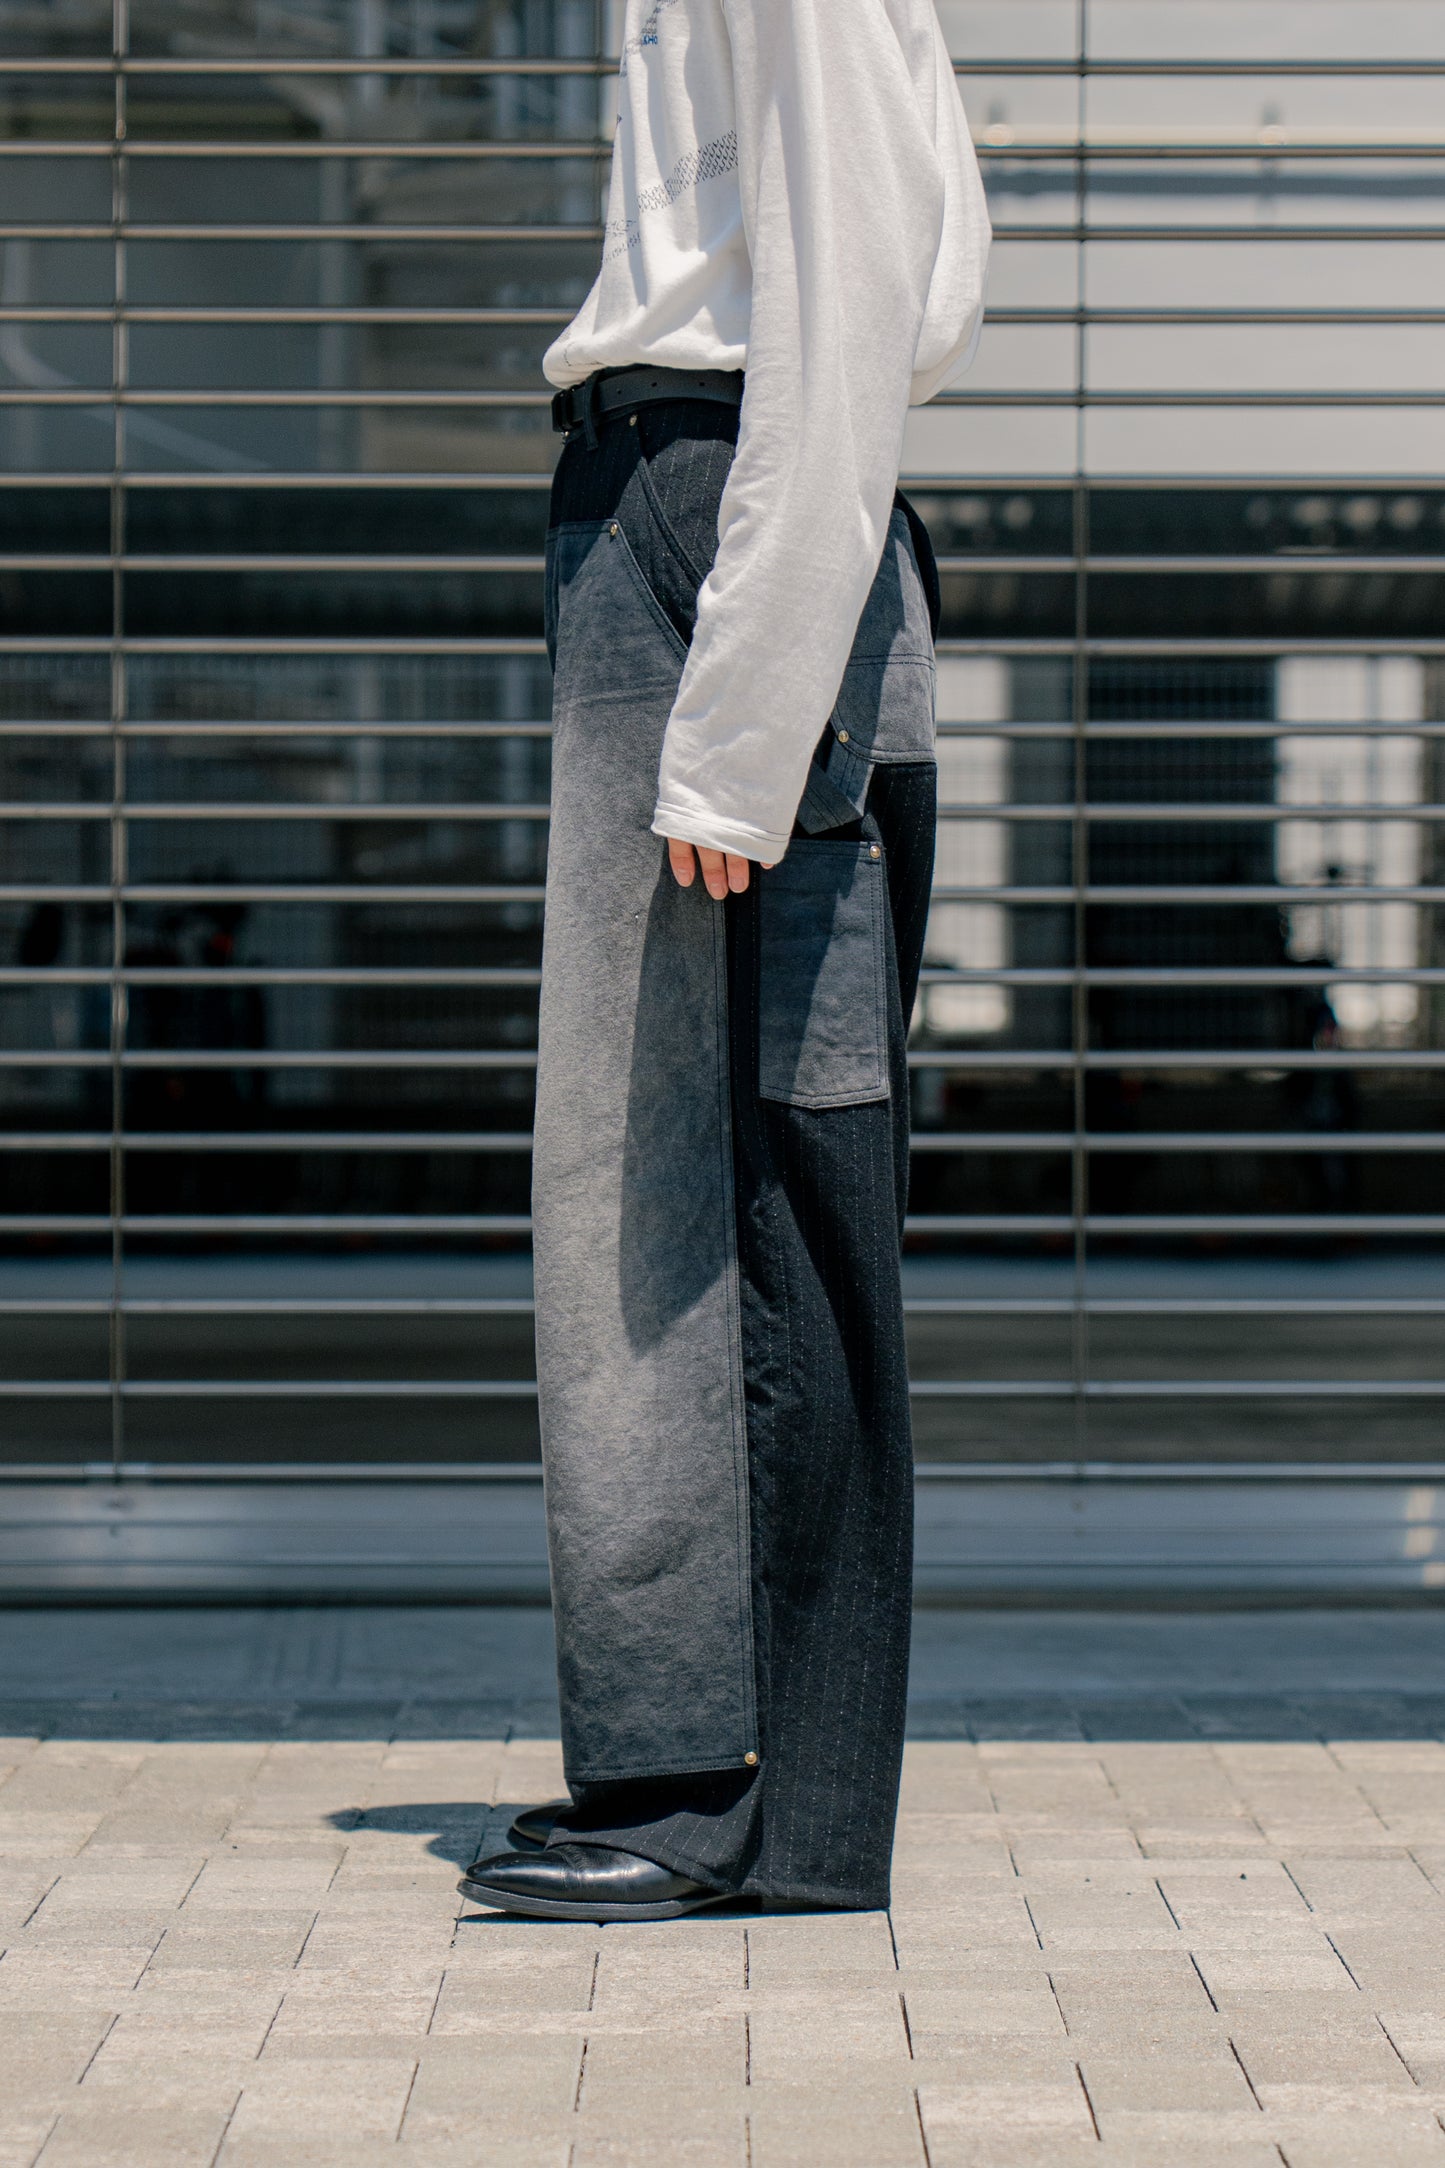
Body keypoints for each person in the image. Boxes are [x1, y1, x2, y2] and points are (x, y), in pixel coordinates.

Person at [460, 0, 989, 1923]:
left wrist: (747, 720)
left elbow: (852, 298)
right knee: (651, 1194)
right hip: (675, 517)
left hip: (726, 531)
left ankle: (763, 1806)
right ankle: (686, 1763)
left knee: (762, 1193)